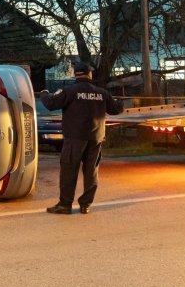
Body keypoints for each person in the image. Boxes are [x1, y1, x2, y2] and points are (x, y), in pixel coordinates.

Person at [40, 61, 123, 215]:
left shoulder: (69, 91)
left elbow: (51, 103)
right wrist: (120, 101)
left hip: (75, 137)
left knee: (69, 169)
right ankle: (85, 205)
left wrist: (44, 93)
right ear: (89, 74)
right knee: (91, 171)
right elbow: (116, 109)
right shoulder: (102, 93)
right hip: (96, 137)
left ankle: (65, 205)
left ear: (76, 75)